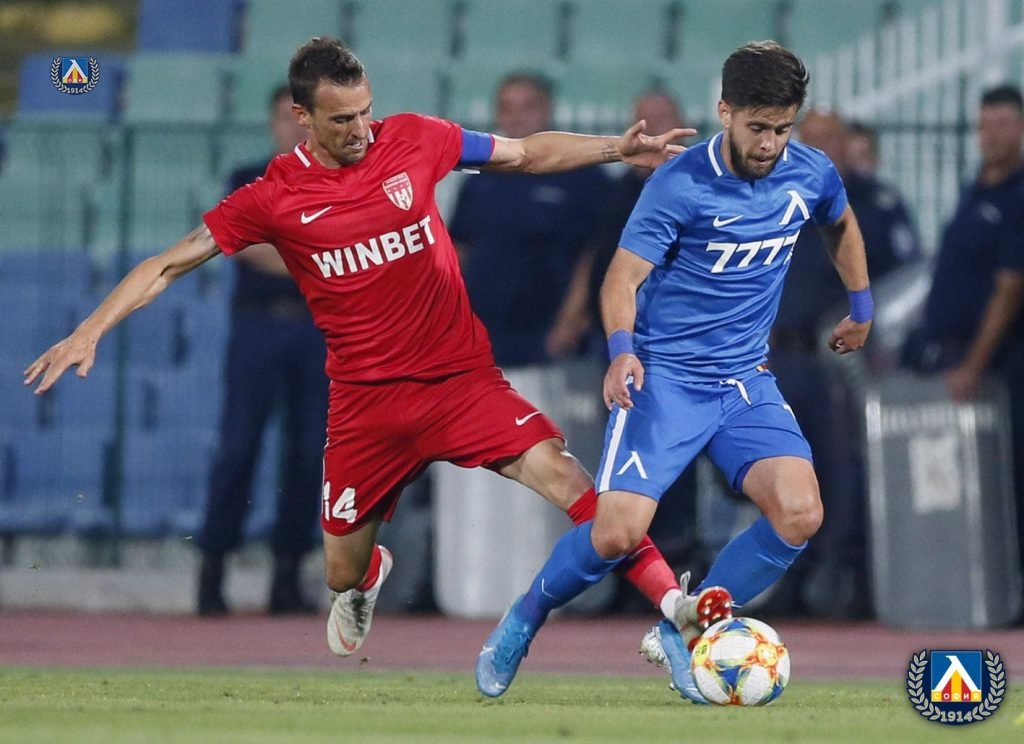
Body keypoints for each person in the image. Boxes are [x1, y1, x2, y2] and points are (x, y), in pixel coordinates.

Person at [25, 37, 699, 662]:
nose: (360, 129)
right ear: (303, 117)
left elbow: (523, 154)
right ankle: (368, 575)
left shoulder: (412, 138)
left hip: (459, 381)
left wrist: (614, 149)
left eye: (365, 111)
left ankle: (680, 609)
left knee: (568, 479)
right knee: (340, 571)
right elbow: (170, 263)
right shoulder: (273, 196)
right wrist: (90, 329)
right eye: (342, 119)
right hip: (365, 405)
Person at [476, 40, 872, 701]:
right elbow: (621, 278)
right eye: (758, 127)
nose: (771, 143)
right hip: (665, 382)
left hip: (744, 381)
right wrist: (622, 349)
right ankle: (527, 613)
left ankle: (687, 628)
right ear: (725, 111)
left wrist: (861, 307)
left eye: (782, 128)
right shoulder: (680, 183)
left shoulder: (811, 172)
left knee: (800, 512)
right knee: (616, 534)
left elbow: (840, 222)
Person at [764, 108, 920, 619]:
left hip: (844, 364)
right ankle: (791, 579)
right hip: (781, 359)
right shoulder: (772, 197)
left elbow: (905, 283)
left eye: (827, 139)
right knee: (784, 473)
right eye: (807, 140)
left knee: (844, 472)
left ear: (846, 144)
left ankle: (847, 581)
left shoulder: (874, 204)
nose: (817, 149)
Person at [195, 84, 328, 617]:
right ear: (272, 123)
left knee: (309, 454)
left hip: (319, 331)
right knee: (239, 447)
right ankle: (212, 569)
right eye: (285, 117)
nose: (294, 128)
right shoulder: (248, 178)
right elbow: (245, 245)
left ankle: (287, 576)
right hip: (258, 327)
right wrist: (318, 260)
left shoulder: (339, 180)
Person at [902, 84, 1024, 601]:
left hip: (1001, 365)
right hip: (953, 355)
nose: (990, 135)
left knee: (1006, 483)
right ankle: (972, 593)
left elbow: (1010, 285)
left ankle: (1010, 593)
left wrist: (975, 364)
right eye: (984, 125)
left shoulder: (1018, 194)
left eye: (1002, 125)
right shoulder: (977, 188)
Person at [450, 71, 608, 365]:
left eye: (528, 106)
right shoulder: (479, 176)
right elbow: (459, 248)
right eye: (507, 108)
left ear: (547, 109)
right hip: (483, 333)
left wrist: (572, 319)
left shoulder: (584, 175)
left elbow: (595, 254)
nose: (517, 116)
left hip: (551, 336)